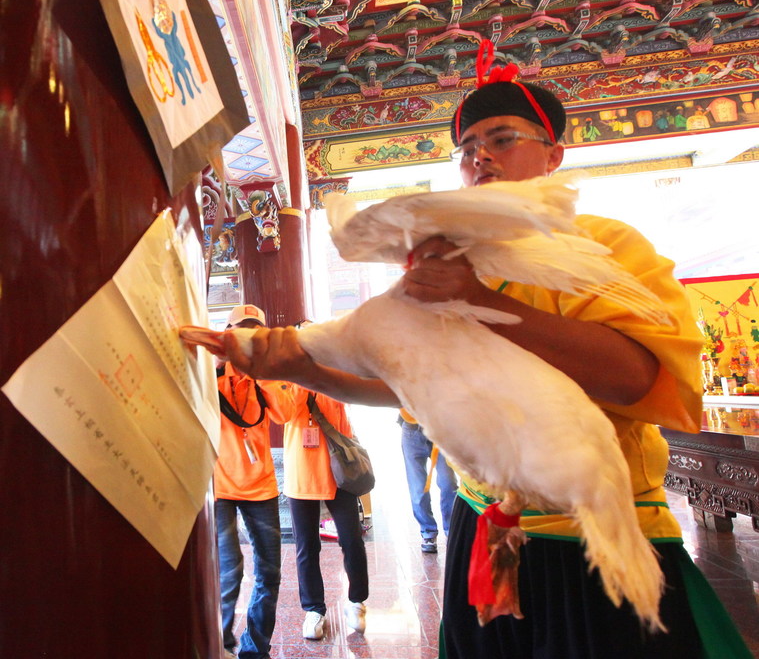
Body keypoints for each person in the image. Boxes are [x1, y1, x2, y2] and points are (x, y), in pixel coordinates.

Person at [221, 43, 752, 658]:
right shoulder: (446, 259)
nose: (481, 157)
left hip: (589, 533)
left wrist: (477, 299)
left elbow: (635, 377)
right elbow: (410, 389)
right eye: (467, 148)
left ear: (553, 154)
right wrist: (305, 370)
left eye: (502, 139)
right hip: (483, 526)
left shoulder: (604, 246)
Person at [214, 304, 294, 659]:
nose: (248, 339)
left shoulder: (268, 374)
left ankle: (255, 649)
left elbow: (285, 413)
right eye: (241, 331)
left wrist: (262, 371)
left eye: (254, 332)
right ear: (228, 334)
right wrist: (218, 364)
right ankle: (221, 643)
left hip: (260, 487)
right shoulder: (212, 372)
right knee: (229, 573)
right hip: (219, 486)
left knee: (270, 573)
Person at [282, 323, 369, 640]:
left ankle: (356, 601)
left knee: (352, 539)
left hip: (339, 472)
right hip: (302, 472)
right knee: (307, 546)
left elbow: (348, 405)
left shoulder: (335, 372)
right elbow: (284, 413)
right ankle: (314, 610)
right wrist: (299, 374)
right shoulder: (288, 376)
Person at [398, 407, 458, 553]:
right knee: (418, 488)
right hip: (412, 431)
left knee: (448, 483)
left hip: (441, 430)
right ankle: (428, 532)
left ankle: (451, 530)